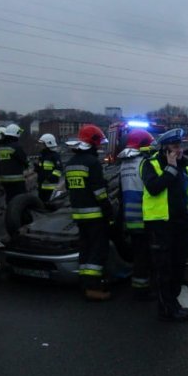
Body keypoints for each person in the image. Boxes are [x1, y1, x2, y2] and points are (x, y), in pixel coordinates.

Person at [141, 128, 188, 321]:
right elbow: (154, 188)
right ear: (165, 149)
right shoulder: (150, 164)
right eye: (174, 147)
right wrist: (170, 168)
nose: (179, 150)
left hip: (180, 224)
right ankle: (166, 308)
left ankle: (173, 302)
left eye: (180, 146)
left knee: (178, 267)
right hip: (160, 225)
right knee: (163, 269)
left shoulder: (185, 167)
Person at [64, 124, 114, 301]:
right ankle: (93, 288)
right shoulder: (92, 163)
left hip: (79, 215)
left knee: (85, 249)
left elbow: (71, 189)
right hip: (94, 215)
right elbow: (99, 191)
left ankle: (85, 284)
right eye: (99, 143)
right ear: (93, 142)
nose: (100, 146)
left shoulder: (70, 164)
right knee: (97, 250)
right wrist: (109, 211)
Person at [116, 128, 155, 300]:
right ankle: (143, 289)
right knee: (147, 255)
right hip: (145, 216)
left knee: (139, 254)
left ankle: (138, 286)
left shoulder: (124, 165)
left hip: (130, 218)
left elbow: (119, 192)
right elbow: (153, 189)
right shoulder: (144, 164)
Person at [0, 124, 30, 205]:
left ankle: (10, 214)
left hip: (4, 180)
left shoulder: (1, 147)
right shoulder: (16, 147)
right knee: (20, 200)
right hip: (17, 180)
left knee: (9, 199)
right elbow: (25, 160)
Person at [35, 132, 64, 207]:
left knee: (50, 206)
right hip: (41, 187)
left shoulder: (54, 155)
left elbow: (59, 169)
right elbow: (40, 169)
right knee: (41, 206)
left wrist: (50, 178)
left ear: (48, 144)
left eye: (42, 143)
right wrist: (36, 166)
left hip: (51, 187)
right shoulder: (42, 155)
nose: (39, 145)